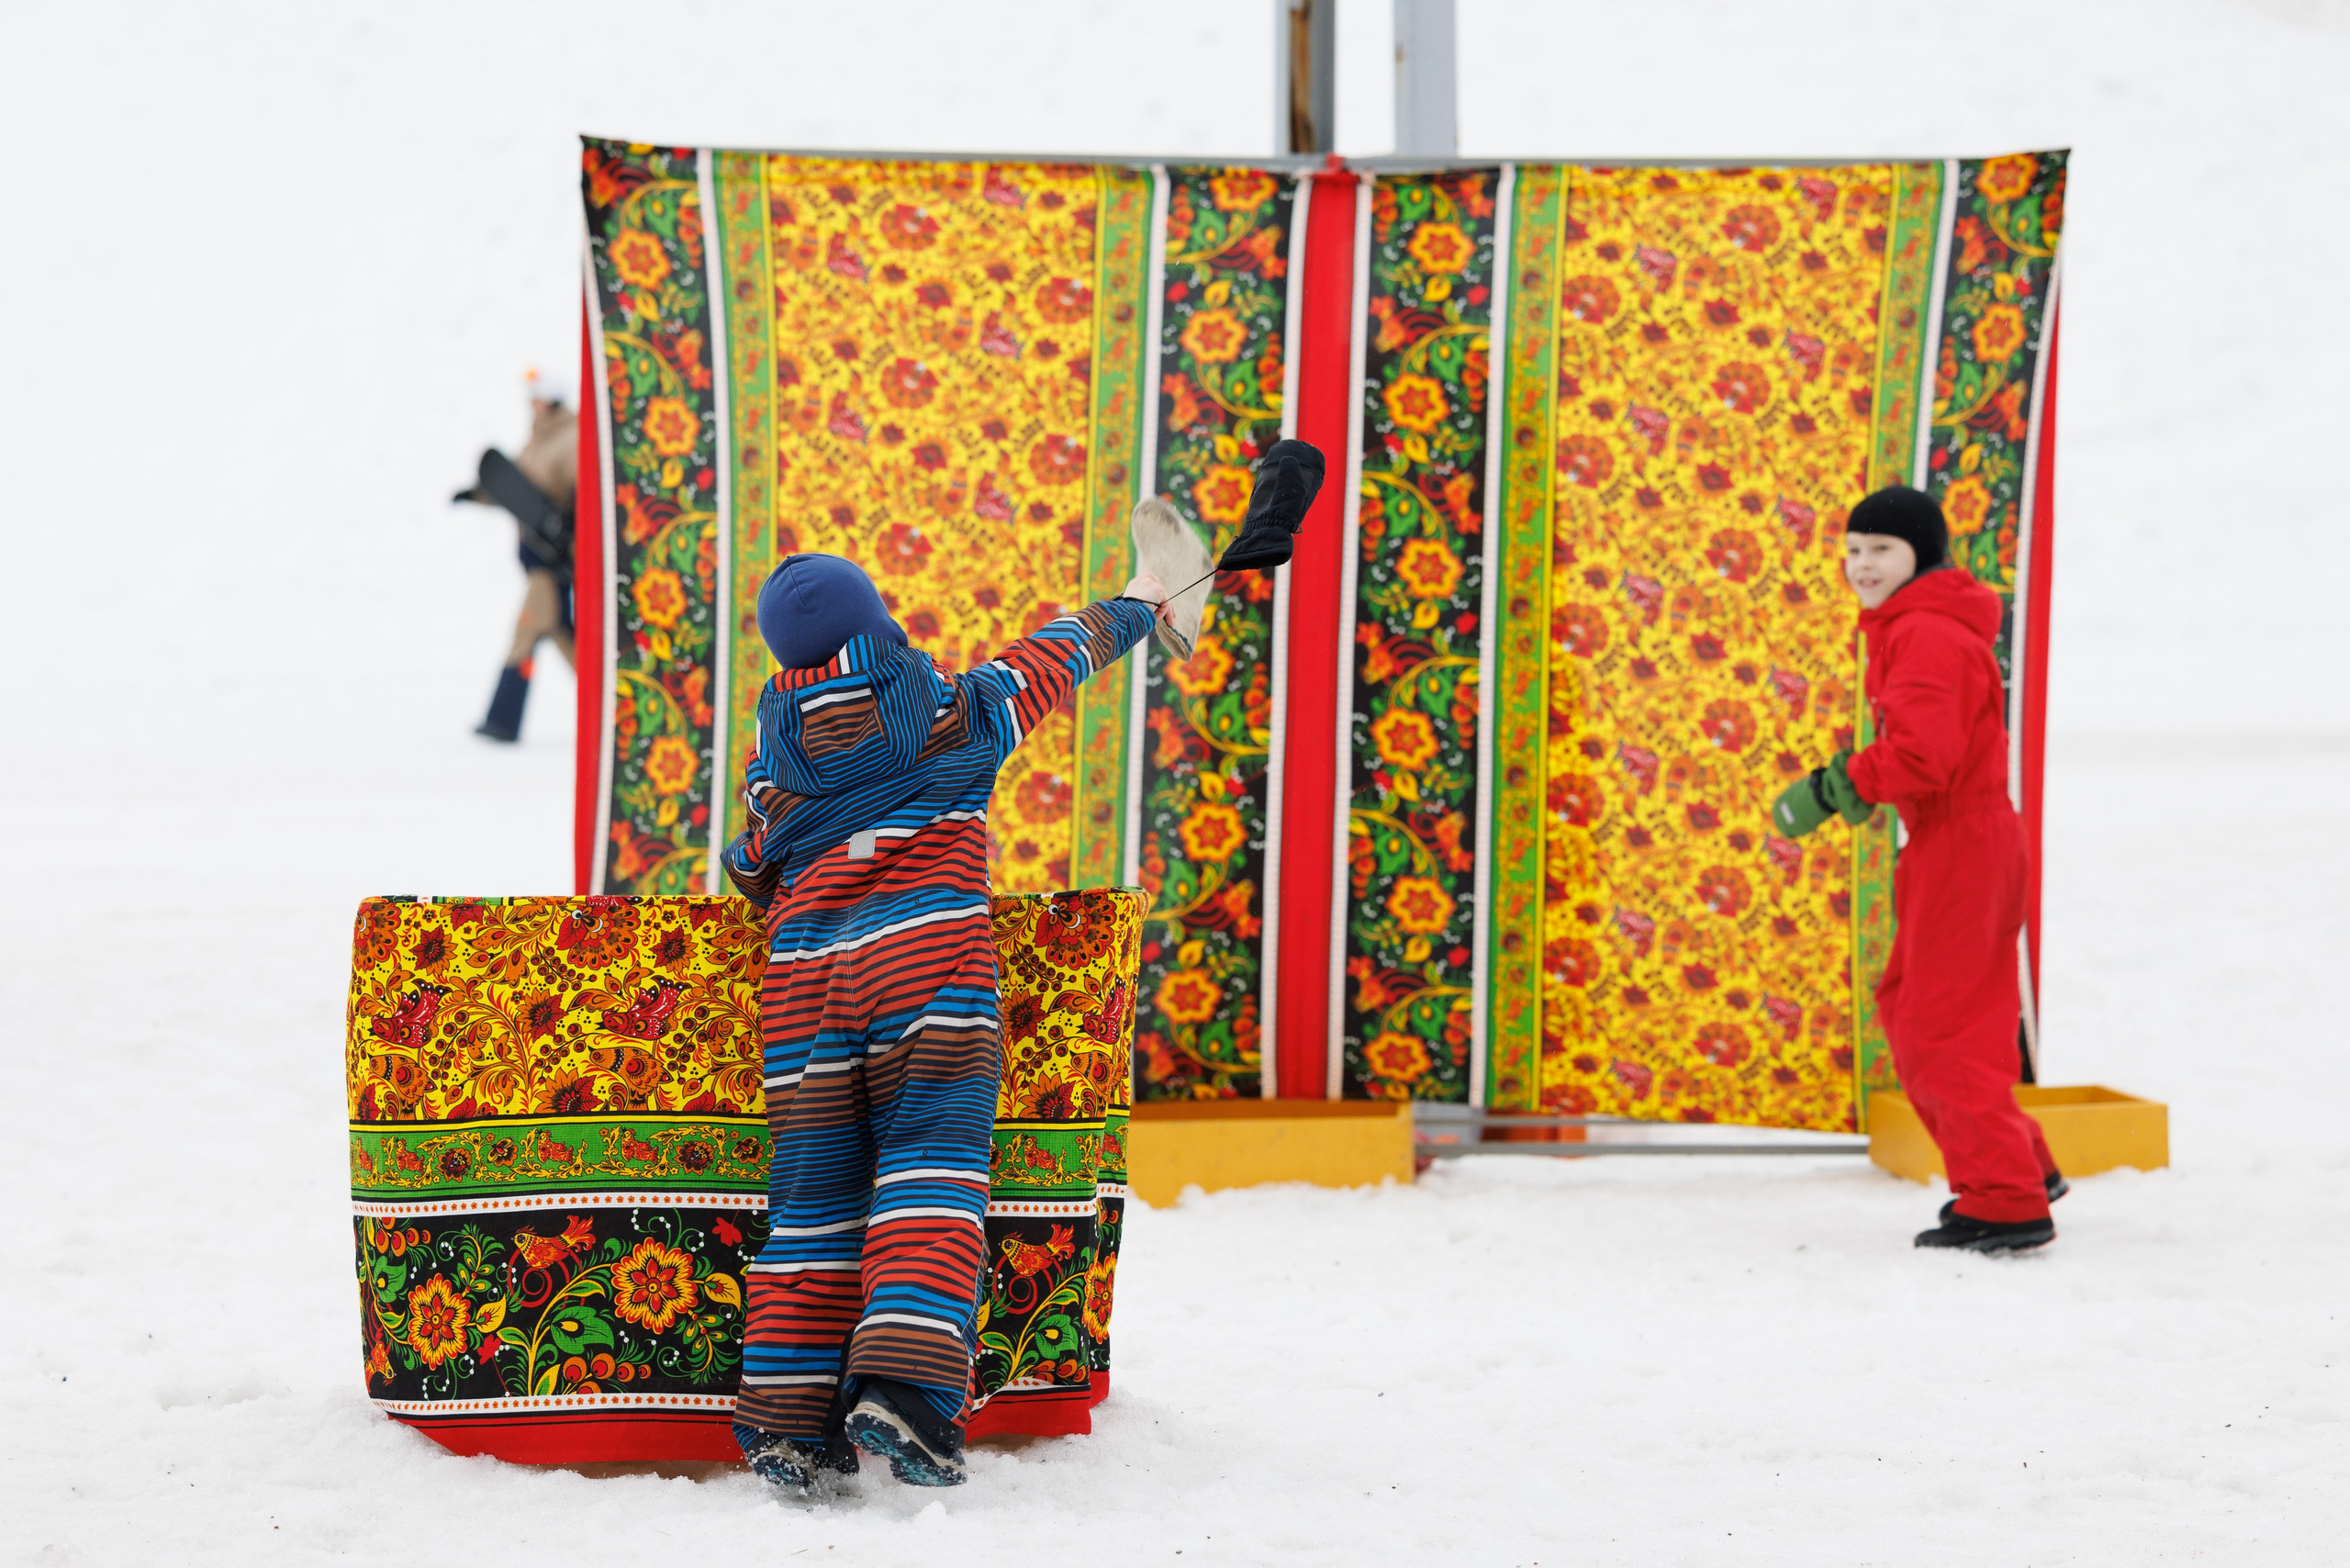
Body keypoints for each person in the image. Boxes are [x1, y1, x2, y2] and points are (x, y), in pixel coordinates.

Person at [719, 551, 1173, 1491]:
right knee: (928, 1175)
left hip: (804, 995)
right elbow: (1055, 654)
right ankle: (906, 1391)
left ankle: (788, 1420)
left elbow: (751, 863)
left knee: (811, 1202)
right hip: (927, 976)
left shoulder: (773, 762)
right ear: (878, 629)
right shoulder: (949, 713)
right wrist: (1135, 606)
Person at [1773, 486, 2065, 1253]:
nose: (1862, 566)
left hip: (1963, 840)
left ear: (1921, 556)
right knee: (1914, 1008)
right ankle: (2023, 1162)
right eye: (1853, 550)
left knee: (1940, 1030)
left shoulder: (1927, 632)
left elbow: (1922, 757)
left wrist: (1837, 786)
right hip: (1952, 840)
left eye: (1881, 550)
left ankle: (2006, 1201)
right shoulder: (1913, 625)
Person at [454, 370, 576, 741]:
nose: (531, 405)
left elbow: (583, 493)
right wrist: (478, 495)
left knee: (526, 632)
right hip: (537, 558)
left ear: (551, 400)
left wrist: (567, 528)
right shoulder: (538, 441)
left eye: (536, 398)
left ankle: (502, 721)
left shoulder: (570, 440)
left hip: (552, 566)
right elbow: (521, 491)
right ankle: (615, 706)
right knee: (566, 638)